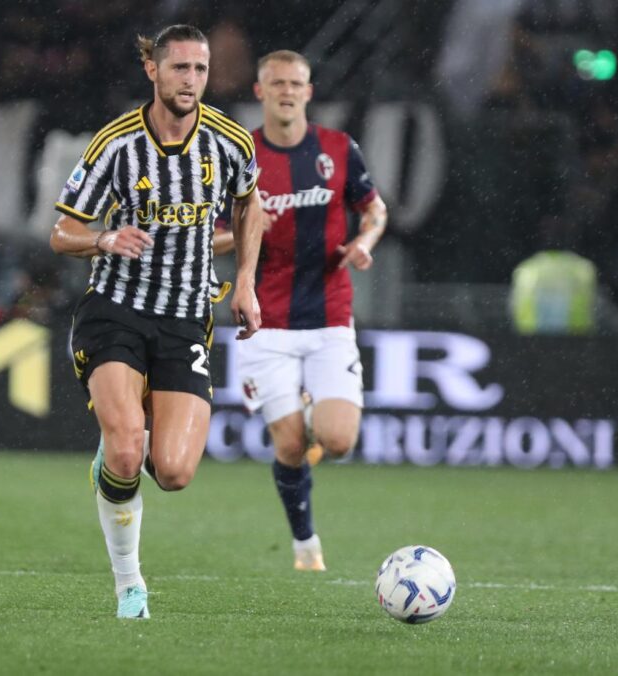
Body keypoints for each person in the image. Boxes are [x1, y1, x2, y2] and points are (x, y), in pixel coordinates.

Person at [49, 24, 264, 619]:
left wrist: (246, 281)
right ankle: (130, 586)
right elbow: (62, 232)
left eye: (200, 69)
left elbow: (250, 203)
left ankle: (123, 444)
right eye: (180, 68)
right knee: (125, 454)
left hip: (186, 318)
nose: (191, 80)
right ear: (153, 71)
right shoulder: (116, 143)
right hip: (116, 310)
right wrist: (103, 238)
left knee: (173, 472)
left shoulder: (229, 141)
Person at [233, 50, 388, 571]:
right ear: (260, 91)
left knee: (339, 441)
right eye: (276, 83)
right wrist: (245, 231)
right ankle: (305, 546)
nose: (286, 91)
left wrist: (364, 241)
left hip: (329, 316)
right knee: (290, 445)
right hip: (264, 323)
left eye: (295, 83)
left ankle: (307, 411)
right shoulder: (241, 155)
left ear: (308, 91)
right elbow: (208, 233)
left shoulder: (338, 149)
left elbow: (374, 209)